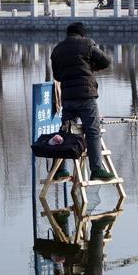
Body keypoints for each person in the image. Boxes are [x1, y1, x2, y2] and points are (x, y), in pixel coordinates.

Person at [51, 22, 114, 181]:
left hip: (68, 98)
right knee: (93, 131)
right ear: (82, 34)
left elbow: (57, 76)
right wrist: (92, 66)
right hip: (86, 96)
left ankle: (61, 170)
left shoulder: (57, 50)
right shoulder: (88, 44)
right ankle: (97, 170)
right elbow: (106, 61)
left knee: (65, 132)